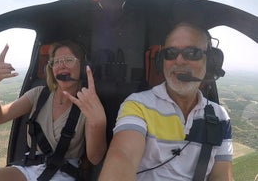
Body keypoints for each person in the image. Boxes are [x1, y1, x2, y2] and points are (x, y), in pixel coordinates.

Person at [98, 23, 233, 181]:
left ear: (211, 62)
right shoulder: (138, 105)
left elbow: (222, 177)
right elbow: (122, 157)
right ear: (161, 62)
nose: (179, 60)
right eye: (170, 53)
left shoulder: (220, 117)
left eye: (192, 52)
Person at [0, 40, 107, 181]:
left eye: (68, 60)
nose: (62, 65)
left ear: (83, 66)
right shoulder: (38, 94)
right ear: (51, 69)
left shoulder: (88, 105)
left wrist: (98, 124)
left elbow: (95, 158)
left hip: (64, 174)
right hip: (29, 168)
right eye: (56, 61)